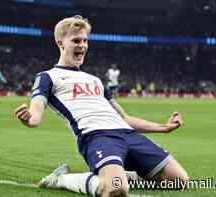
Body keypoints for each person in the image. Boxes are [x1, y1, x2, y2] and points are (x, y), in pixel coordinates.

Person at [14, 15, 189, 197]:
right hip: (97, 136)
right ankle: (60, 179)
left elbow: (125, 118)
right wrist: (29, 119)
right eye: (76, 40)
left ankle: (121, 174)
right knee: (116, 189)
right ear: (60, 43)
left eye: (85, 40)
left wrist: (164, 127)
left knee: (179, 182)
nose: (82, 45)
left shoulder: (95, 80)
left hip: (128, 134)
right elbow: (35, 114)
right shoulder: (48, 77)